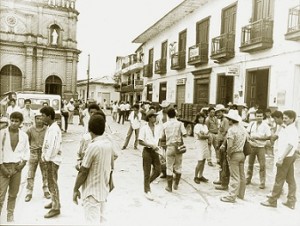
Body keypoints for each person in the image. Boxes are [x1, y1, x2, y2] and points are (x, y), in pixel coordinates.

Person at [73, 114, 115, 225]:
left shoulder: (93, 146)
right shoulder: (108, 144)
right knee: (102, 221)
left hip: (91, 193)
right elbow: (111, 167)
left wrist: (75, 189)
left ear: (89, 129)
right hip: (102, 192)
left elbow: (83, 171)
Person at [260, 110, 299, 209]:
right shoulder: (286, 128)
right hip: (288, 156)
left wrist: (281, 158)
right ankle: (291, 201)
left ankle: (272, 200)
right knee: (290, 179)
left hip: (286, 157)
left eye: (286, 118)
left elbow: (290, 145)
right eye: (284, 118)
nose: (284, 120)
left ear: (292, 119)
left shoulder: (292, 130)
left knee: (279, 179)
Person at [0, 112, 30, 222]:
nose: (13, 123)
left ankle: (10, 215)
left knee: (13, 193)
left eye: (16, 121)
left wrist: (22, 164)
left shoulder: (24, 136)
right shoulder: (2, 133)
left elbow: (27, 150)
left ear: (21, 123)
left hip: (17, 168)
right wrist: (2, 167)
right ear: (9, 120)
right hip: (3, 167)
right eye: (12, 120)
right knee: (1, 194)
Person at [220, 110, 247, 203]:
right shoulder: (242, 128)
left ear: (231, 120)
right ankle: (241, 194)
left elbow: (230, 145)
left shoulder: (231, 130)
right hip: (242, 153)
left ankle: (231, 196)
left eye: (228, 119)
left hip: (234, 154)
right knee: (242, 175)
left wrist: (228, 154)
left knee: (234, 176)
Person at [40, 106, 62, 218]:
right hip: (50, 159)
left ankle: (56, 208)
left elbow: (54, 147)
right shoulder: (51, 127)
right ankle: (54, 201)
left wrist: (47, 158)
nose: (41, 118)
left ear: (49, 116)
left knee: (52, 183)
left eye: (43, 116)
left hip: (52, 160)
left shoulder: (54, 129)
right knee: (51, 182)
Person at [24, 113, 50, 202]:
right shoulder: (30, 130)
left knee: (45, 173)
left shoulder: (47, 130)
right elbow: (25, 142)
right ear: (34, 119)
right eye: (37, 118)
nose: (39, 120)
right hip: (33, 153)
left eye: (41, 118)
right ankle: (29, 192)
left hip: (43, 153)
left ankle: (46, 190)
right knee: (30, 173)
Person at [138, 109, 161, 201]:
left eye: (155, 116)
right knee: (147, 172)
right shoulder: (144, 128)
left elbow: (158, 139)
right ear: (149, 118)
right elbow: (140, 141)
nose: (155, 118)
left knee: (158, 170)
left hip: (155, 151)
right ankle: (147, 190)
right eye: (153, 116)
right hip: (147, 151)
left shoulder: (157, 127)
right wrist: (150, 145)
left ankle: (146, 184)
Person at [162, 108, 187, 192]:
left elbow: (162, 137)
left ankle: (169, 187)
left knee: (169, 167)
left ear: (168, 115)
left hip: (169, 147)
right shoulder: (180, 124)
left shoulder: (165, 125)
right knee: (178, 166)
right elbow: (185, 134)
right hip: (178, 147)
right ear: (175, 115)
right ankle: (176, 184)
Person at [246, 109, 271, 189]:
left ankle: (262, 182)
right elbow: (247, 132)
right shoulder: (252, 124)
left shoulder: (266, 126)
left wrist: (258, 137)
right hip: (252, 146)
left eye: (260, 116)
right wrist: (249, 137)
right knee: (250, 164)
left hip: (261, 147)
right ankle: (248, 179)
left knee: (262, 165)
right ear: (255, 116)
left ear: (263, 116)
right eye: (257, 116)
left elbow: (269, 137)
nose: (259, 117)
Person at [213, 104, 230, 190]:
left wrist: (223, 144)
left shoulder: (225, 120)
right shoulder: (221, 120)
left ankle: (224, 184)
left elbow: (226, 134)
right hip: (219, 143)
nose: (217, 114)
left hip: (223, 143)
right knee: (220, 162)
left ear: (223, 112)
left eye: (219, 112)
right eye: (216, 113)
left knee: (224, 164)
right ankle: (220, 179)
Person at [193, 112, 210, 184]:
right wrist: (207, 136)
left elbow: (206, 134)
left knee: (203, 161)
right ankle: (195, 176)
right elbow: (200, 136)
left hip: (204, 144)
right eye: (199, 118)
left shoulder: (205, 126)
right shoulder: (196, 126)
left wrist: (205, 135)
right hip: (199, 144)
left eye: (202, 117)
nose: (201, 119)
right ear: (197, 119)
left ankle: (201, 176)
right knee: (200, 161)